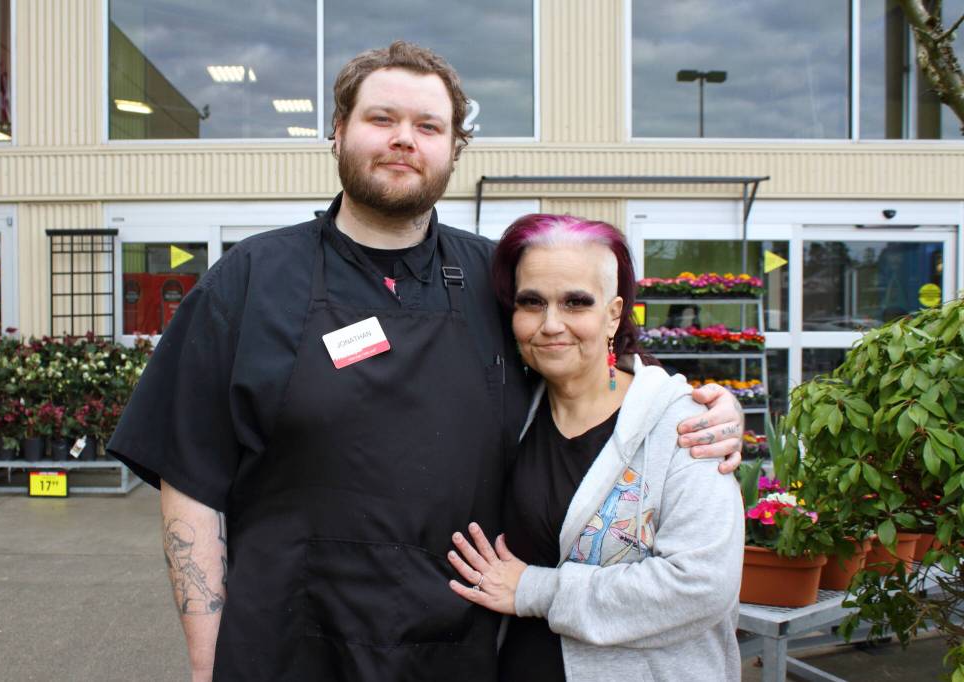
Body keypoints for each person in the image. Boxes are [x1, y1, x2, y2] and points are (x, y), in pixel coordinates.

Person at [108, 42, 745, 681]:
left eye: (428, 126)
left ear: (453, 149)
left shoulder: (497, 280)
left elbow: (610, 377)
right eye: (381, 119)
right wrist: (203, 661)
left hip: (458, 648)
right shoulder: (248, 282)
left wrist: (712, 409)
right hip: (287, 645)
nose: (403, 140)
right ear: (337, 133)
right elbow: (190, 481)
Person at [447, 214, 744, 681]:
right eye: (532, 302)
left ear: (612, 314)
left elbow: (701, 586)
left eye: (575, 302)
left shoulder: (683, 427)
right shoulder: (513, 410)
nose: (550, 324)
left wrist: (534, 590)